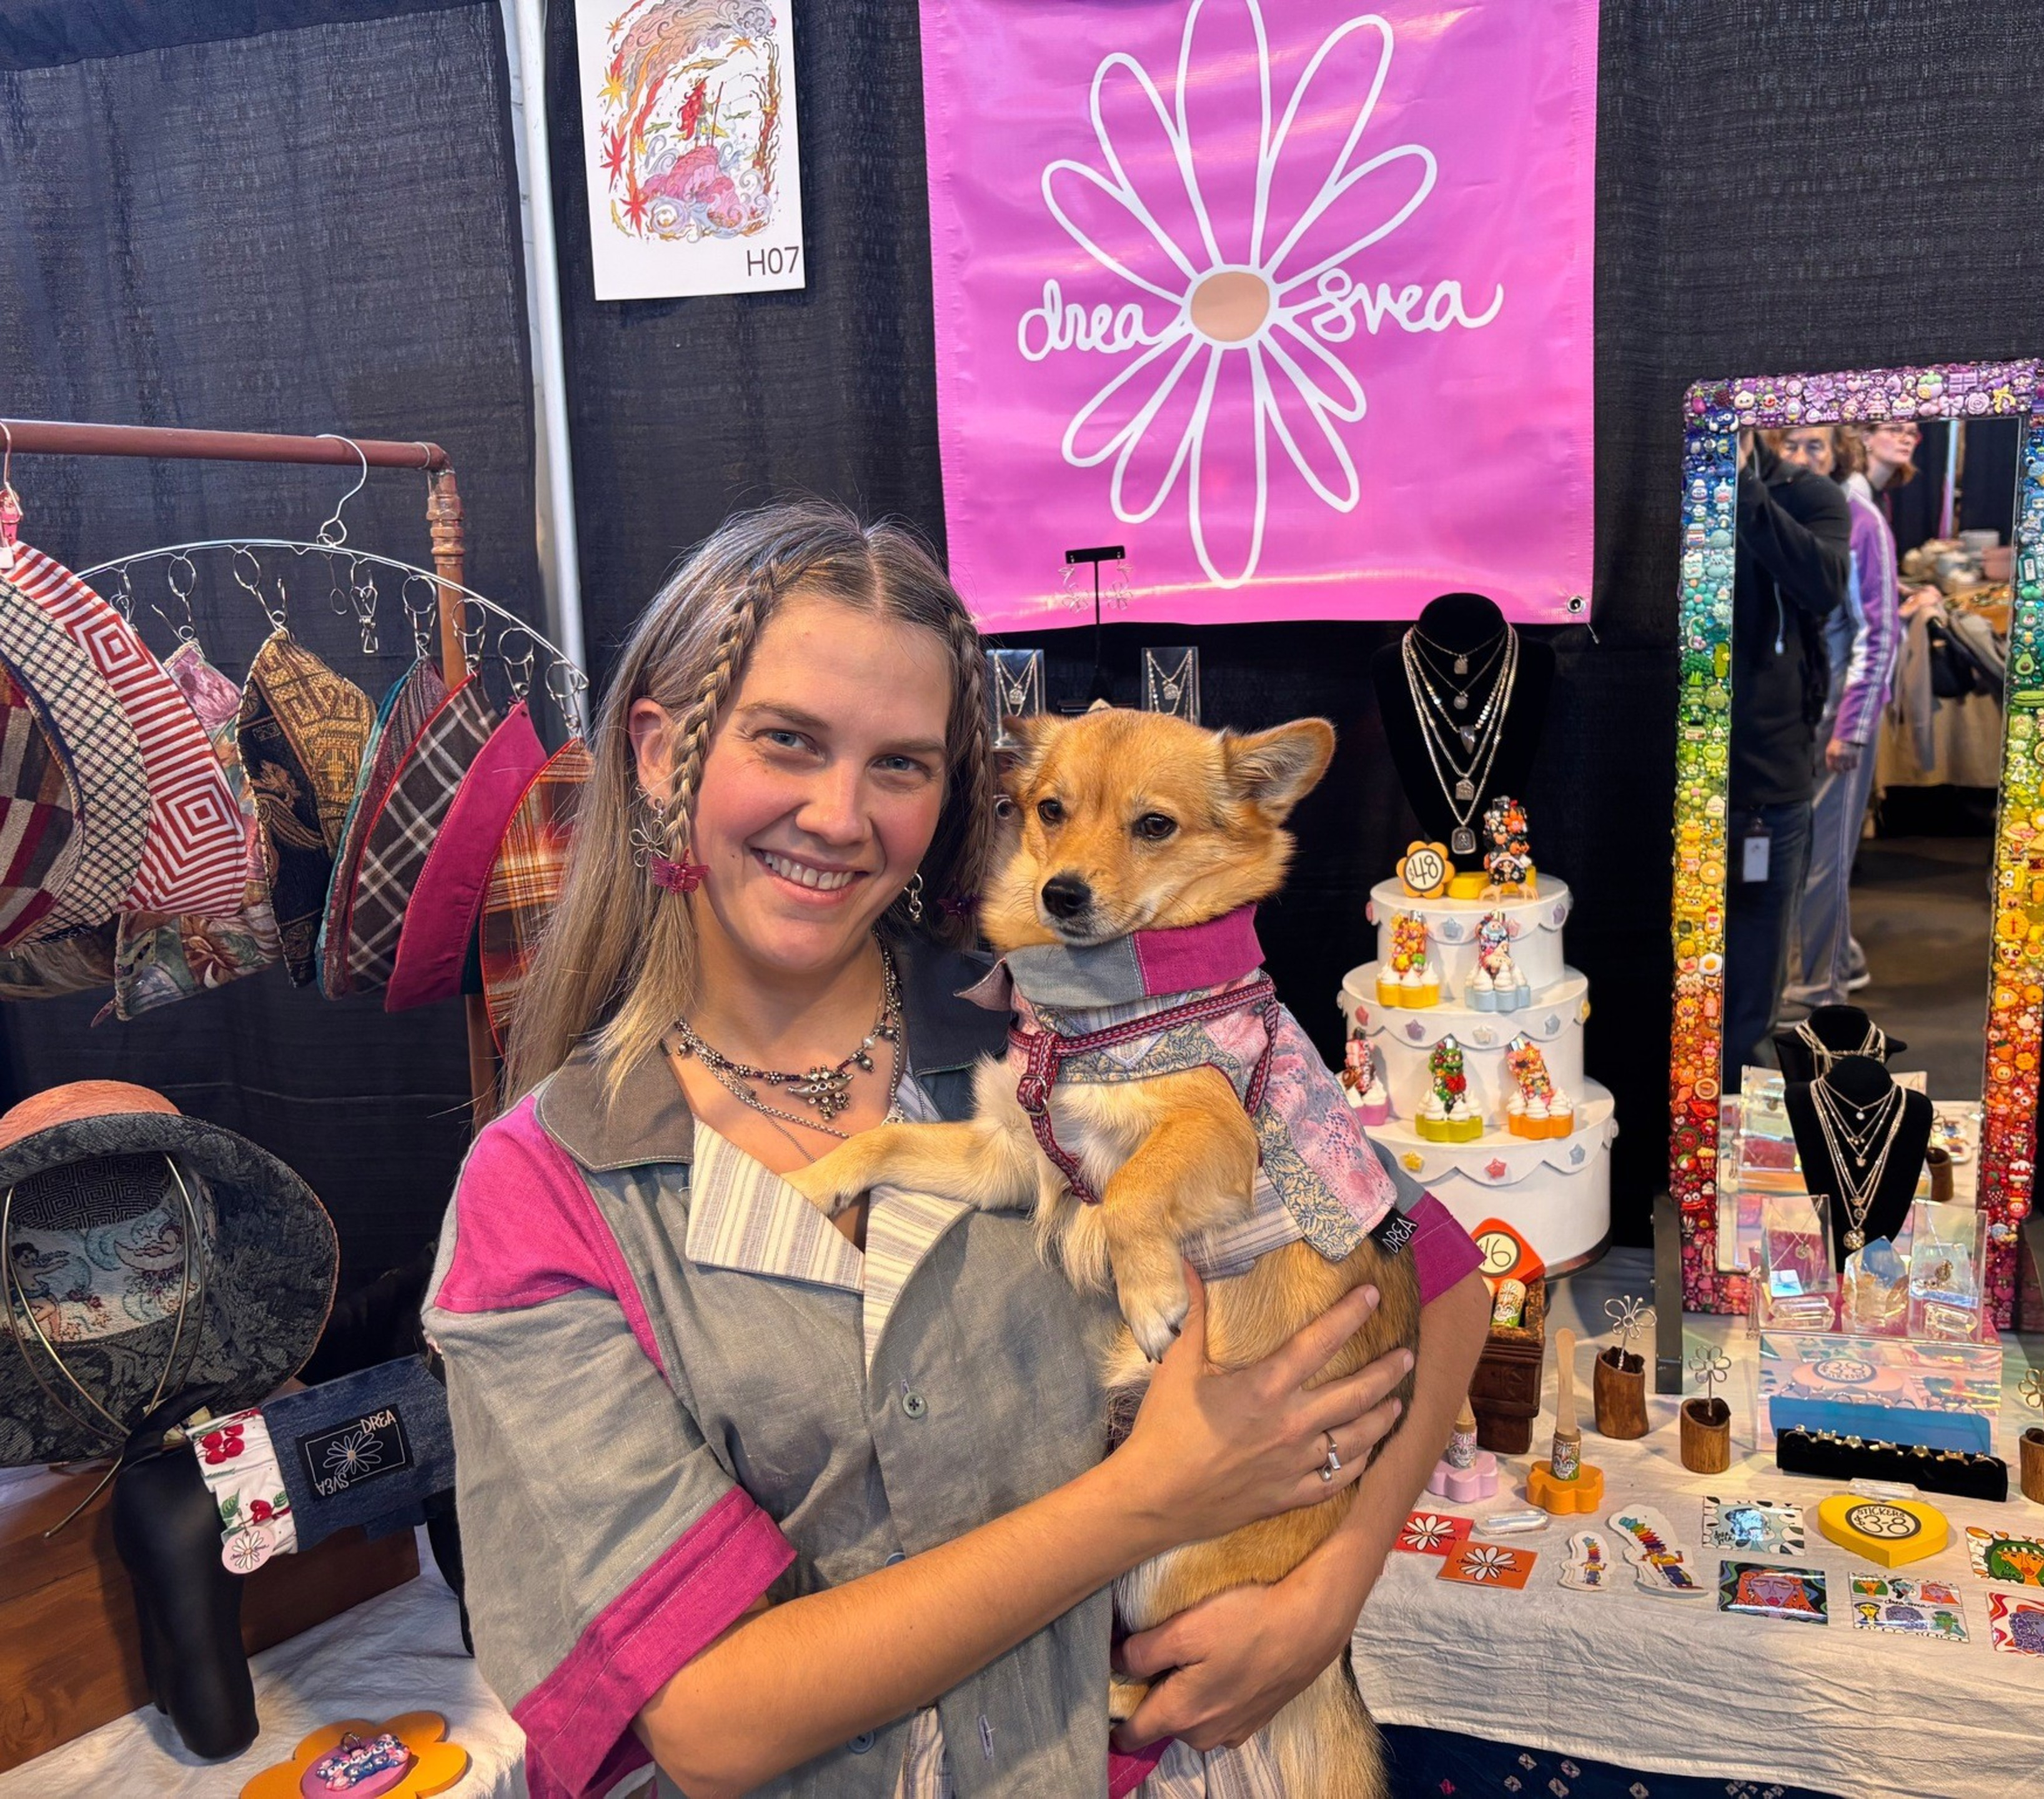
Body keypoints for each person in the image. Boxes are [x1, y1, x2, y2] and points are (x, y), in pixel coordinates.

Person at [424, 500, 1491, 1799]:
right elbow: (706, 1721)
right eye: (786, 741)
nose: (835, 813)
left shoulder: (1062, 1031)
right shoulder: (549, 1193)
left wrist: (1326, 1590)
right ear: (659, 756)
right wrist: (1146, 1502)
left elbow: (1432, 1269)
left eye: (899, 765)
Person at [1725, 428, 1850, 1074]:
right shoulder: (1664, 488)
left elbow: (1825, 585)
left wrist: (1743, 488)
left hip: (1765, 779)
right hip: (1670, 770)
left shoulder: (1807, 494)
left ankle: (1729, 1116)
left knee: (1752, 971)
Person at [1785, 420, 1910, 1009]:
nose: (1801, 456)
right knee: (1801, 848)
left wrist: (1853, 726)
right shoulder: (1775, 516)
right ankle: (1836, 961)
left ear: (1838, 454)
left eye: (1815, 445)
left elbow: (1879, 630)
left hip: (1838, 705)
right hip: (1790, 711)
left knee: (1821, 852)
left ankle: (1816, 987)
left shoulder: (1861, 521)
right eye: (1789, 444)